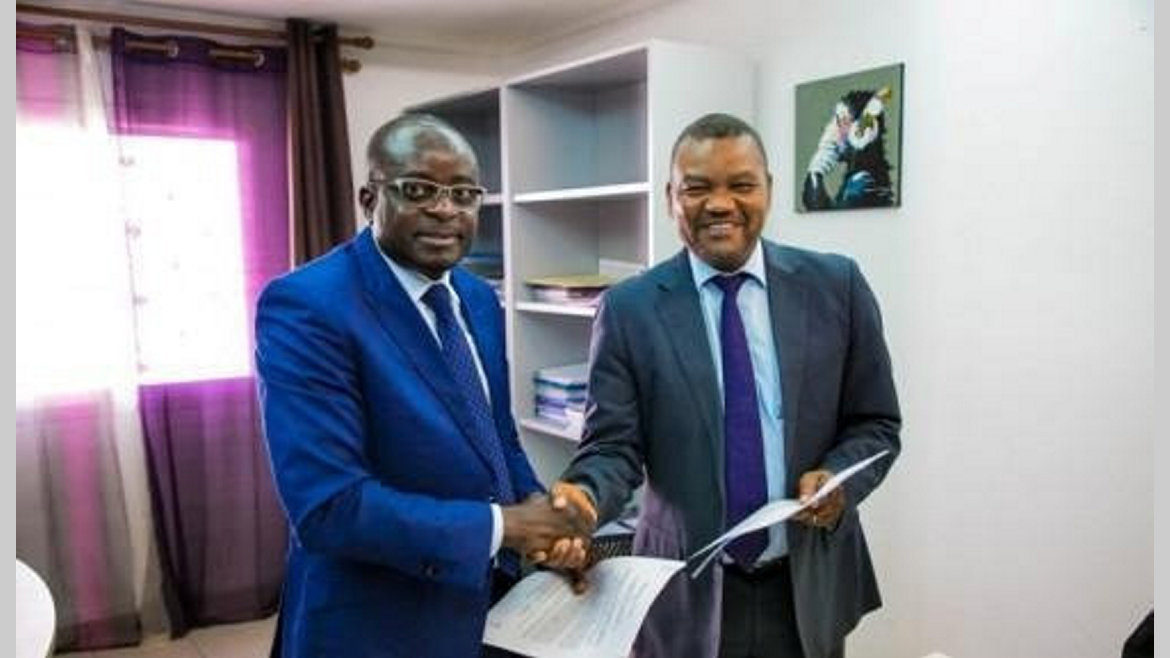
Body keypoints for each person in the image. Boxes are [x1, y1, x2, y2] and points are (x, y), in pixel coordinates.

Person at [549, 113, 902, 658]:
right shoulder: (629, 310)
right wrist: (585, 497)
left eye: (741, 185)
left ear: (768, 190)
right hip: (683, 593)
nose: (719, 204)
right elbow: (613, 446)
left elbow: (875, 423)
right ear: (671, 198)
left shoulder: (837, 287)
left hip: (807, 583)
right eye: (697, 188)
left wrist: (838, 480)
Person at [255, 113, 590, 658]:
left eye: (464, 193)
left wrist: (540, 515)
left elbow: (496, 438)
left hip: (488, 605)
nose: (444, 209)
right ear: (369, 199)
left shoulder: (478, 298)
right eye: (418, 190)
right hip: (376, 622)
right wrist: (503, 526)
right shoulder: (308, 305)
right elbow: (329, 507)